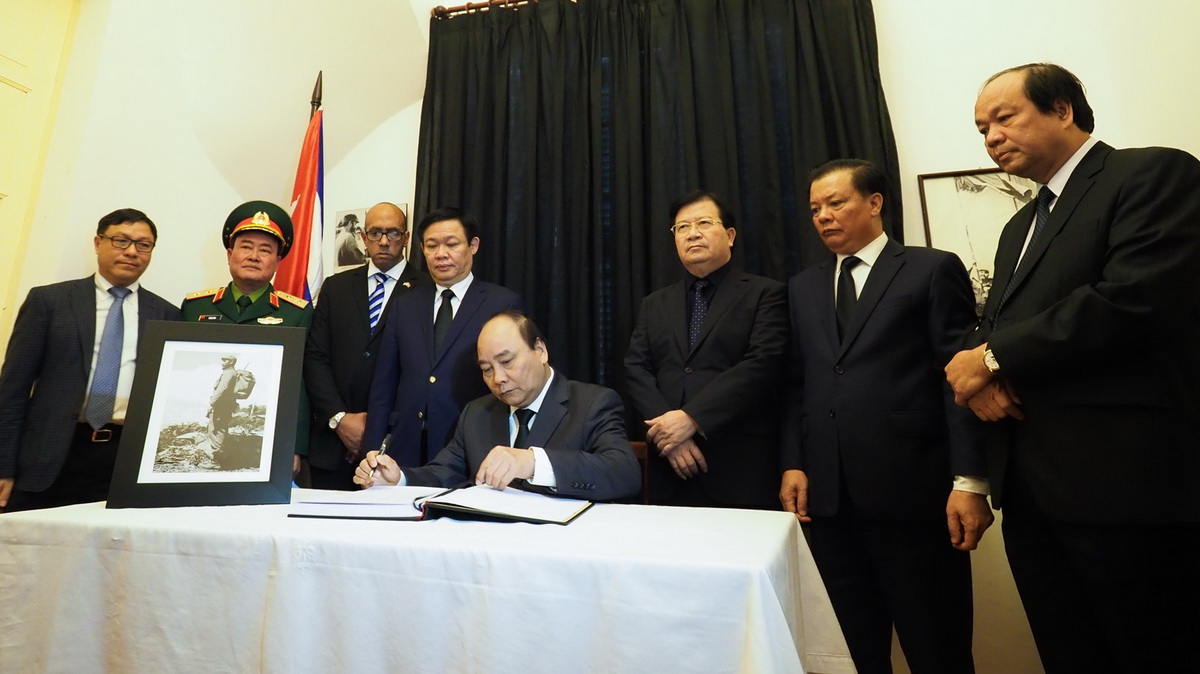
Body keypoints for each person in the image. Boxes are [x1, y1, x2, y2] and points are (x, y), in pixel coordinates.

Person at [945, 63, 1200, 671]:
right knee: (1067, 650)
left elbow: (1133, 300)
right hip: (1031, 489)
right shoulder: (1019, 225)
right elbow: (994, 323)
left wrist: (993, 358)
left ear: (1062, 109)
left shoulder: (1152, 173)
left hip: (1126, 486)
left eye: (1004, 118)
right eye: (982, 129)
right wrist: (982, 377)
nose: (991, 137)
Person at [782, 159, 991, 672]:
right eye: (815, 209)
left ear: (875, 202)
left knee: (936, 648)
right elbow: (796, 384)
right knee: (852, 653)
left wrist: (970, 480)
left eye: (836, 203)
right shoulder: (803, 286)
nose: (823, 216)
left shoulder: (929, 269)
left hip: (914, 496)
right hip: (831, 504)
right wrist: (794, 461)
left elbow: (959, 380)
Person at [0, 208, 181, 511]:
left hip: (121, 460)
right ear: (98, 243)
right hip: (49, 455)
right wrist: (3, 465)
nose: (132, 252)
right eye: (121, 240)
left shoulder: (166, 315)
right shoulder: (50, 302)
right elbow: (12, 390)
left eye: (143, 245)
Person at [356, 311, 640, 501]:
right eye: (486, 369)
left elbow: (623, 473)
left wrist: (531, 462)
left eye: (507, 362)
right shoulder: (477, 413)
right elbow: (443, 474)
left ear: (540, 351)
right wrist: (398, 480)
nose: (498, 379)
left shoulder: (592, 404)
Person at [623, 190, 788, 508]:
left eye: (703, 223)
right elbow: (636, 368)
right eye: (682, 227)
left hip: (738, 468)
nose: (692, 233)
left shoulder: (765, 294)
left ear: (730, 235)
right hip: (667, 467)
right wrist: (670, 436)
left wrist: (692, 419)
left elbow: (762, 365)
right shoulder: (655, 303)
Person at [364, 207, 524, 469]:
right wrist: (371, 452)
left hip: (472, 446)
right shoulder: (405, 304)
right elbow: (384, 384)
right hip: (405, 446)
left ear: (473, 245)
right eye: (432, 246)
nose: (441, 254)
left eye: (451, 244)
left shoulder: (501, 303)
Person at [181, 201, 314, 476]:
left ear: (278, 261)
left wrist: (295, 447)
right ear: (230, 254)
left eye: (265, 250)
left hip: (269, 439)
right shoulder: (195, 307)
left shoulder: (297, 313)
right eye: (246, 247)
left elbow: (301, 385)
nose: (254, 256)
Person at [304, 202, 424, 490]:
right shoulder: (336, 287)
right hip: (332, 445)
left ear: (406, 238)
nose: (384, 241)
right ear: (362, 237)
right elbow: (315, 357)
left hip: (395, 449)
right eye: (375, 233)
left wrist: (376, 428)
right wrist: (340, 419)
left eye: (393, 233)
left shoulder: (426, 288)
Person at [208, 356, 239, 452]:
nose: (222, 363)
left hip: (221, 405)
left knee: (215, 429)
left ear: (231, 362)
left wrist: (212, 402)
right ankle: (219, 453)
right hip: (226, 405)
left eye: (225, 361)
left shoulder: (229, 373)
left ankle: (216, 454)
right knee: (221, 428)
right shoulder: (233, 373)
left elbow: (222, 388)